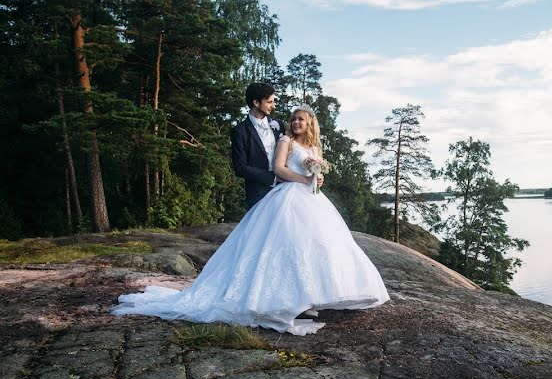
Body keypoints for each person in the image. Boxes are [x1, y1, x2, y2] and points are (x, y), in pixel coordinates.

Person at [112, 104, 390, 335]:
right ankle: (292, 299)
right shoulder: (286, 142)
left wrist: (318, 178)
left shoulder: (315, 147)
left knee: (317, 244)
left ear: (310, 124)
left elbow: (317, 174)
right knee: (286, 246)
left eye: (300, 119)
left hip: (313, 200)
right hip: (287, 197)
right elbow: (278, 169)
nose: (295, 122)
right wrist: (305, 179)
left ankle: (313, 295)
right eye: (293, 118)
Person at [231, 82, 284, 209]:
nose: (273, 106)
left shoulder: (279, 125)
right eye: (269, 102)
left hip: (283, 191)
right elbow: (240, 167)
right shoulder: (239, 131)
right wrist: (271, 178)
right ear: (256, 103)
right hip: (258, 194)